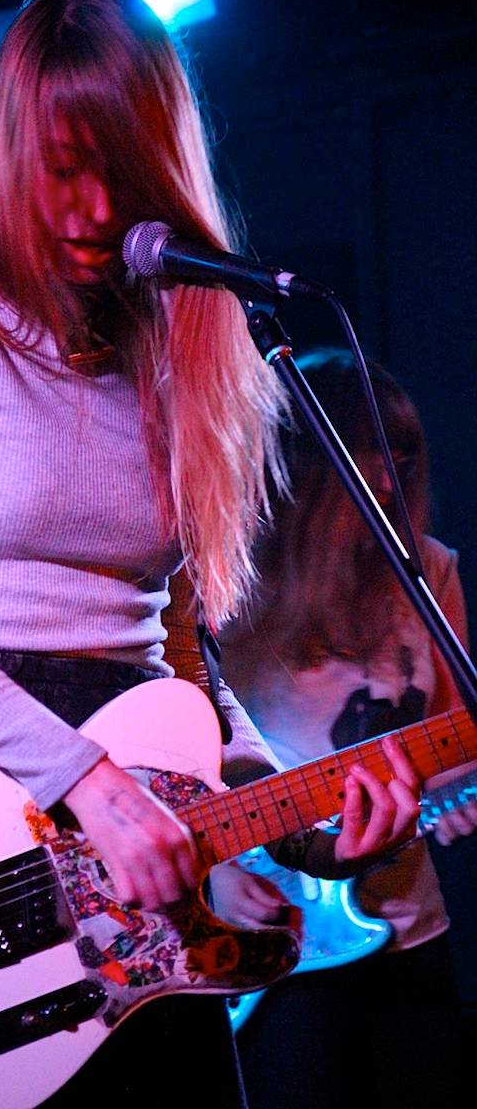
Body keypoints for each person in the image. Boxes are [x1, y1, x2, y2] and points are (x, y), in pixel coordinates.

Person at [0, 0, 422, 1109]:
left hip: (136, 874)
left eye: (123, 169)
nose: (92, 205)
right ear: (6, 143)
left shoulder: (179, 346)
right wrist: (90, 785)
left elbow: (177, 655)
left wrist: (302, 812)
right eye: (63, 163)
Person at [214, 348, 477, 1109]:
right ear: (308, 459)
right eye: (370, 455)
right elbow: (182, 765)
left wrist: (459, 798)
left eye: (404, 455)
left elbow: (456, 738)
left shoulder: (429, 571)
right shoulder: (230, 590)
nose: (391, 481)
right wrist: (215, 879)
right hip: (277, 935)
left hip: (406, 923)